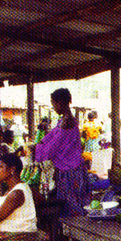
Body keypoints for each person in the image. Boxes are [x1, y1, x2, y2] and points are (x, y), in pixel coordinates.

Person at [31, 88, 88, 218]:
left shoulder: (66, 121)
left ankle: (75, 233)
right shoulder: (65, 120)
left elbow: (55, 145)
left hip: (71, 170)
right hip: (70, 168)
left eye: (53, 103)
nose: (53, 107)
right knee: (73, 203)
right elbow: (53, 138)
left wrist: (38, 149)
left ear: (60, 102)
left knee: (73, 206)